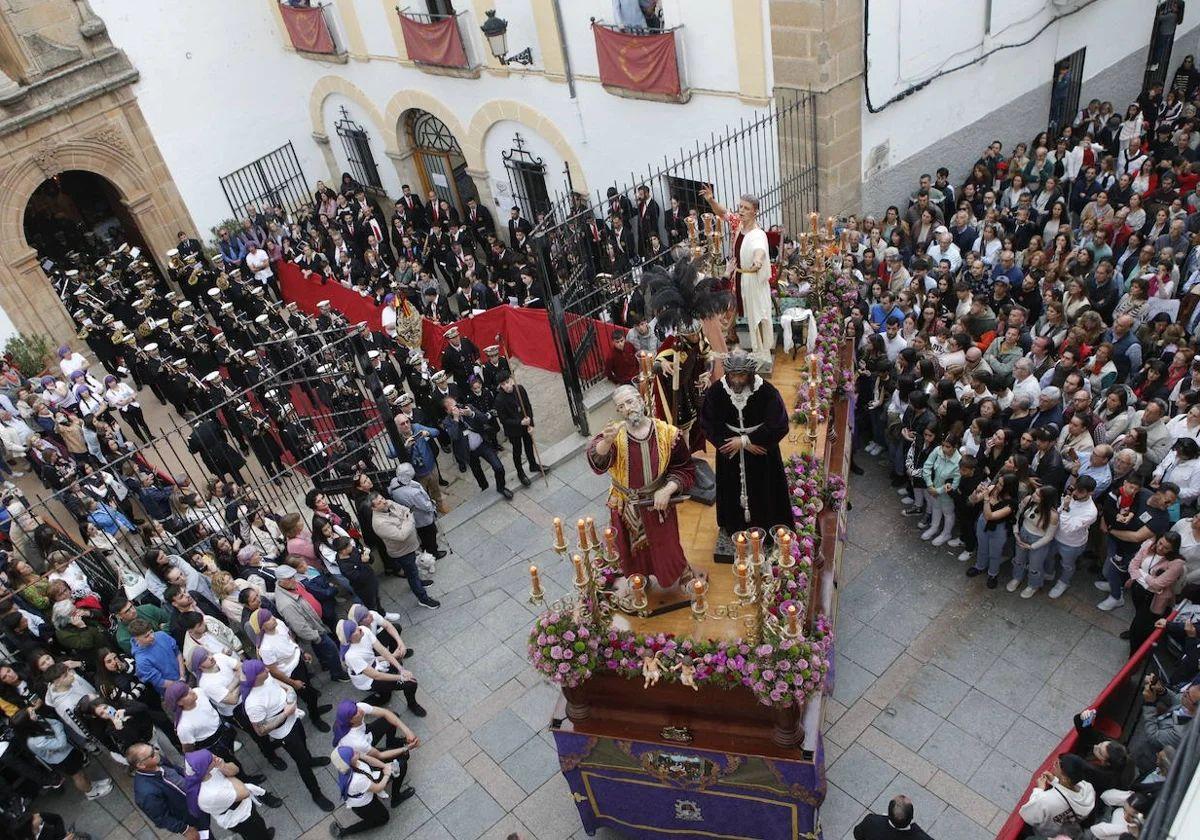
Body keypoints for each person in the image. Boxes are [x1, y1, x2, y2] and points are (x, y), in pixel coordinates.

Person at [587, 385, 697, 593]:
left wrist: (667, 490)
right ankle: (639, 578)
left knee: (667, 543)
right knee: (631, 550)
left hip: (657, 503)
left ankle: (681, 572)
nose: (627, 408)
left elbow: (685, 469)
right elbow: (597, 460)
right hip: (624, 504)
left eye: (630, 402)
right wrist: (606, 443)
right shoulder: (613, 436)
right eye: (621, 406)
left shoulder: (668, 434)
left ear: (641, 400)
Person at [698, 349, 794, 535]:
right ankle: (736, 526)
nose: (736, 380)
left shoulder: (767, 392)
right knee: (732, 491)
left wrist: (746, 440)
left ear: (750, 374)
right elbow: (708, 423)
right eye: (733, 374)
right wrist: (730, 443)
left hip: (760, 452)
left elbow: (779, 424)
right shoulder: (717, 391)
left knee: (764, 490)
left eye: (741, 375)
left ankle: (766, 528)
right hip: (730, 452)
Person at [240, 659, 336, 811]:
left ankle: (310, 759)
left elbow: (278, 682)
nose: (266, 669)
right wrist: (286, 713)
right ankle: (316, 793)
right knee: (302, 763)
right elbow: (261, 730)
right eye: (262, 669)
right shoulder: (253, 703)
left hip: (294, 719)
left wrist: (289, 689)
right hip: (284, 732)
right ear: (255, 677)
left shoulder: (266, 677)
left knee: (304, 743)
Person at [11, 707, 113, 801]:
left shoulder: (37, 722)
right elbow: (60, 742)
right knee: (78, 775)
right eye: (31, 713)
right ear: (27, 722)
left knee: (80, 770)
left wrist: (57, 729)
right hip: (62, 759)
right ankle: (91, 792)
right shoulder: (35, 741)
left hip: (67, 752)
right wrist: (58, 729)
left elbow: (55, 723)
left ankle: (91, 785)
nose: (34, 712)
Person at [366, 492, 440, 609]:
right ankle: (423, 598)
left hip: (410, 545)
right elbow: (401, 535)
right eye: (379, 502)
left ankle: (419, 583)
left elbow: (406, 509)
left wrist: (405, 520)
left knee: (413, 571)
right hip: (402, 552)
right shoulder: (379, 523)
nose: (384, 501)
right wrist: (408, 520)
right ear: (373, 508)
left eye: (382, 498)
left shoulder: (388, 503)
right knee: (412, 574)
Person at [337, 618, 425, 715]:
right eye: (354, 630)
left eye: (356, 627)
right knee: (410, 683)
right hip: (368, 680)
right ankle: (360, 707)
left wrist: (401, 669)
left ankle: (390, 695)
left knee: (395, 677)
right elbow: (375, 676)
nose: (359, 629)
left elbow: (382, 650)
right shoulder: (351, 656)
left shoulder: (364, 630)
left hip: (376, 665)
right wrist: (401, 677)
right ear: (349, 638)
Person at [184, 750, 278, 840]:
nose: (215, 757)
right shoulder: (209, 794)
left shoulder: (210, 769)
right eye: (210, 759)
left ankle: (264, 835)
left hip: (243, 806)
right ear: (204, 768)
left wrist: (223, 766)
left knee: (259, 825)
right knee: (253, 834)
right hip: (240, 818)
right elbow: (244, 792)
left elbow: (235, 770)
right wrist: (230, 778)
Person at [128, 742, 212, 840]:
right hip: (191, 816)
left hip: (198, 802)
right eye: (152, 754)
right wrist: (185, 829)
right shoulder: (146, 793)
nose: (157, 751)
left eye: (153, 748)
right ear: (141, 765)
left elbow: (174, 769)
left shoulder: (157, 760)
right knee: (206, 835)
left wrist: (189, 775)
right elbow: (161, 818)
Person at [329, 746, 410, 837]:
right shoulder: (356, 780)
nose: (355, 752)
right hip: (364, 805)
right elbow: (378, 788)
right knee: (383, 818)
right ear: (349, 761)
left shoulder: (349, 764)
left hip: (367, 789)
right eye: (352, 754)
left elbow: (369, 759)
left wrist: (384, 766)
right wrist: (387, 774)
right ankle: (343, 832)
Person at [1017, 753, 1096, 832]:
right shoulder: (1088, 787)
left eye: (1057, 763)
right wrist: (1055, 781)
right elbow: (1069, 792)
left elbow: (1028, 816)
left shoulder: (1047, 799)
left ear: (1065, 777)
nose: (1054, 764)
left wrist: (1039, 789)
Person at [494, 372, 545, 487]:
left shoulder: (520, 389)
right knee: (517, 451)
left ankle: (533, 464)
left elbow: (528, 406)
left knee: (528, 445)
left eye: (507, 382)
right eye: (503, 384)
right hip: (513, 430)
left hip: (526, 424)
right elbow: (504, 420)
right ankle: (520, 472)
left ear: (511, 380)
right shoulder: (499, 400)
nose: (506, 386)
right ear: (500, 386)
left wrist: (531, 423)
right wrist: (519, 422)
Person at [852, 794, 933, 840]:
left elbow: (857, 834)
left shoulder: (872, 822)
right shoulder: (921, 838)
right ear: (911, 817)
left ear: (889, 814)